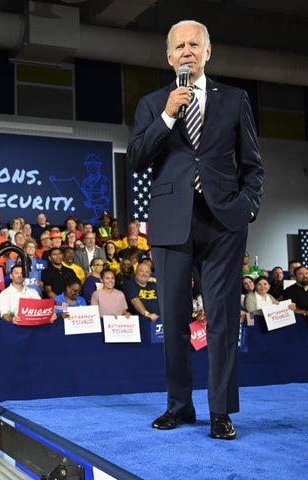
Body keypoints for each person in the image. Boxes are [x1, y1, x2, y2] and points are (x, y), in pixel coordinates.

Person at [127, 20, 264, 440]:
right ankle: (179, 406)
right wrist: (168, 115)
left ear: (207, 52)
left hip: (224, 223)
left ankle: (221, 411)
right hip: (171, 223)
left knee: (223, 319)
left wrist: (248, 208)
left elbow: (252, 164)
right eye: (179, 46)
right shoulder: (153, 104)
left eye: (194, 44)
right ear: (169, 57)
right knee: (174, 318)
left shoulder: (235, 99)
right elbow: (136, 158)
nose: (186, 51)